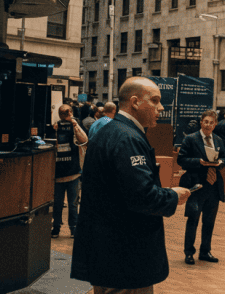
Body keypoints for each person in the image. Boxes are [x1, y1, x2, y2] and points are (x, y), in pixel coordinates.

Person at [71, 77, 192, 293]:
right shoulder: (127, 138)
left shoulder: (111, 132)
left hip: (109, 251)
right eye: (155, 101)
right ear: (135, 102)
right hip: (125, 256)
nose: (161, 108)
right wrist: (173, 196)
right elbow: (142, 196)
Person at [177, 110, 225, 265]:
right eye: (205, 122)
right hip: (197, 185)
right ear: (201, 123)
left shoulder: (218, 140)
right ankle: (189, 253)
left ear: (215, 124)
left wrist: (221, 163)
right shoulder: (191, 139)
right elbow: (181, 160)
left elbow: (224, 157)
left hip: (213, 186)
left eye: (211, 122)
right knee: (193, 219)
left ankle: (205, 251)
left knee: (209, 221)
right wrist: (199, 162)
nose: (208, 125)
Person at [52, 104, 87, 238]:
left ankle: (73, 228)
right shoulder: (55, 127)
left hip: (73, 172)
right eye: (62, 113)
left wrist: (74, 124)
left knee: (73, 204)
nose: (64, 115)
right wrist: (55, 131)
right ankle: (56, 227)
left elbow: (84, 140)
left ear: (72, 113)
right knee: (57, 203)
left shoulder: (75, 126)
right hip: (58, 174)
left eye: (67, 113)